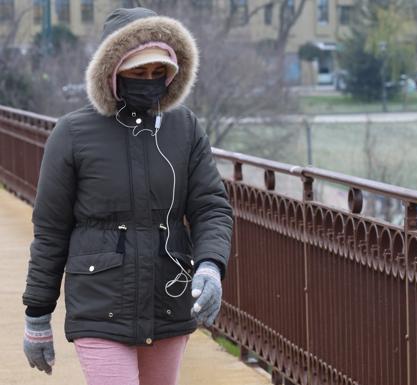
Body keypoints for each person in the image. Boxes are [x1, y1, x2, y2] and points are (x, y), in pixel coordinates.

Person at [21, 7, 233, 385]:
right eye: (138, 72)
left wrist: (210, 266)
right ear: (112, 70)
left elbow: (210, 207)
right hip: (100, 305)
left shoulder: (184, 128)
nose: (149, 82)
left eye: (158, 73)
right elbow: (51, 229)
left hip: (169, 298)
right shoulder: (72, 134)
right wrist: (37, 313)